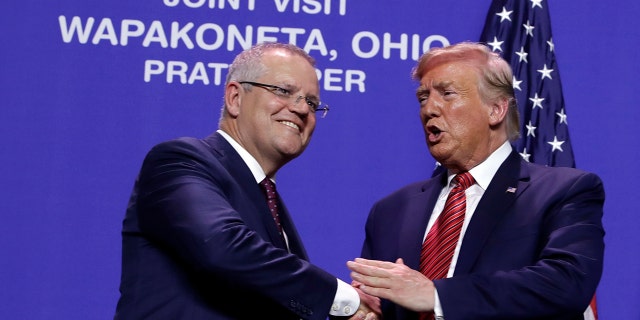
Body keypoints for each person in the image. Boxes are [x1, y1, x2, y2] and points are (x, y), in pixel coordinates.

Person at [115, 42, 380, 320]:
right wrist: (343, 298)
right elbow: (222, 247)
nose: (302, 109)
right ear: (235, 98)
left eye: (312, 103)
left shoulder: (269, 203)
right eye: (283, 91)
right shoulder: (179, 161)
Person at [347, 42, 605, 320]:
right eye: (423, 97)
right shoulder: (391, 210)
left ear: (495, 110)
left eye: (447, 94)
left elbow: (566, 284)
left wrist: (436, 296)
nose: (429, 109)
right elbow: (377, 301)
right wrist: (363, 310)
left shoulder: (563, 191)